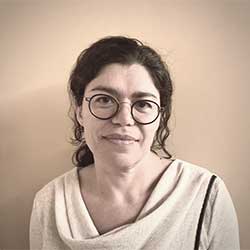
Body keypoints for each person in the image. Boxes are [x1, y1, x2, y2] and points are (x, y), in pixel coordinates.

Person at [29, 36, 240, 250]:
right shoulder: (49, 204)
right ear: (80, 112)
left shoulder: (205, 195)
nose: (124, 119)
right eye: (104, 100)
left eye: (143, 104)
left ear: (160, 117)